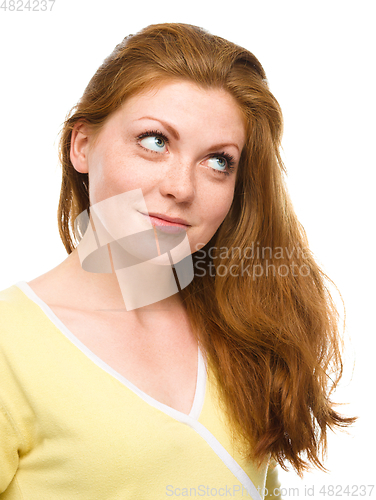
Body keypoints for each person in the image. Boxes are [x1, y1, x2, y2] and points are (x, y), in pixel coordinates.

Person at [0, 23, 355, 499]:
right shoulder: (10, 345)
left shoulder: (241, 328)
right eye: (155, 141)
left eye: (218, 161)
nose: (181, 188)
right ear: (81, 145)